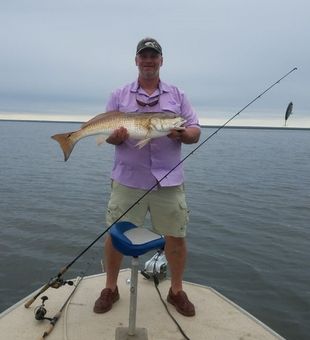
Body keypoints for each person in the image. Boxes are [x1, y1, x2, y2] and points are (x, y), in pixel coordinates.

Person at [93, 37, 201, 317]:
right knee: (115, 236)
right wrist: (115, 138)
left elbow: (194, 130)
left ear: (161, 61)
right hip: (128, 180)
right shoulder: (119, 95)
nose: (149, 60)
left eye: (154, 56)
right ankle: (110, 288)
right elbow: (110, 132)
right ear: (136, 60)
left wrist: (182, 132)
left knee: (176, 236)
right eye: (144, 56)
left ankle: (176, 291)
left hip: (169, 180)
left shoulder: (178, 95)